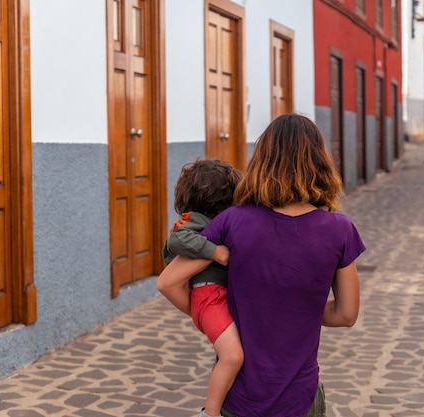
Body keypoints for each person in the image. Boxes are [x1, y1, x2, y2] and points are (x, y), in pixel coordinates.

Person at [157, 113, 366, 417]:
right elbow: (346, 314)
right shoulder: (340, 231)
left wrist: (217, 314)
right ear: (321, 163)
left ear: (262, 161)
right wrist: (294, 306)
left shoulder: (233, 221)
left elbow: (169, 281)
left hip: (238, 399)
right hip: (300, 399)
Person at [160, 158, 244, 417]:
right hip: (209, 296)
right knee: (232, 356)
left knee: (231, 355)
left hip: (218, 297)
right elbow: (176, 239)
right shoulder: (196, 220)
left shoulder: (226, 220)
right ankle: (210, 413)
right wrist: (214, 252)